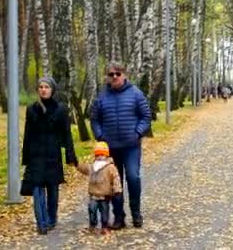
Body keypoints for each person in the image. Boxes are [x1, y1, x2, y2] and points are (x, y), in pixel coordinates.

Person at [90, 62, 152, 229]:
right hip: (110, 149)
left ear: (124, 75)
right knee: (114, 183)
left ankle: (136, 213)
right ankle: (119, 217)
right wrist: (100, 135)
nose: (115, 77)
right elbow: (94, 118)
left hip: (131, 146)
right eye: (111, 74)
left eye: (118, 73)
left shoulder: (135, 94)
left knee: (133, 177)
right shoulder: (101, 97)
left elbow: (146, 115)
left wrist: (138, 132)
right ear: (107, 77)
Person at [21, 77, 78, 235]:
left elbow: (66, 134)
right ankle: (42, 222)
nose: (43, 89)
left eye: (46, 87)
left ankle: (52, 219)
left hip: (53, 154)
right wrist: (25, 157)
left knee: (53, 189)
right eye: (40, 87)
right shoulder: (32, 109)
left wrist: (70, 155)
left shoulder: (61, 109)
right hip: (36, 155)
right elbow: (28, 134)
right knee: (37, 188)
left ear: (52, 90)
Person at [75, 141, 122, 235]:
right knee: (92, 210)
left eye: (102, 155)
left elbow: (116, 178)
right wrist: (77, 164)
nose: (100, 157)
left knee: (104, 212)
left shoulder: (110, 167)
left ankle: (105, 226)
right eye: (97, 155)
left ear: (106, 156)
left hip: (105, 195)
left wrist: (117, 189)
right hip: (93, 195)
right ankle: (92, 225)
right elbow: (84, 168)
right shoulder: (92, 167)